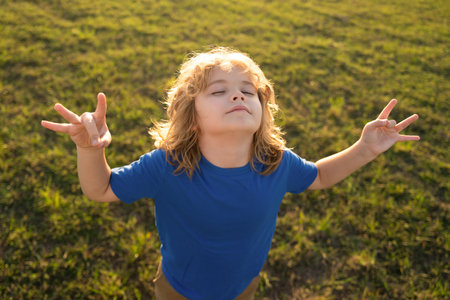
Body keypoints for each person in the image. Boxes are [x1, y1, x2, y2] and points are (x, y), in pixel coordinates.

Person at [41, 47, 420, 300]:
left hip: (245, 284)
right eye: (218, 91)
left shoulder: (276, 162)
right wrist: (89, 149)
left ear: (262, 109)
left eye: (247, 91)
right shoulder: (167, 164)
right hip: (179, 289)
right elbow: (101, 189)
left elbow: (318, 176)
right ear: (191, 118)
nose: (238, 96)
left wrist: (365, 148)